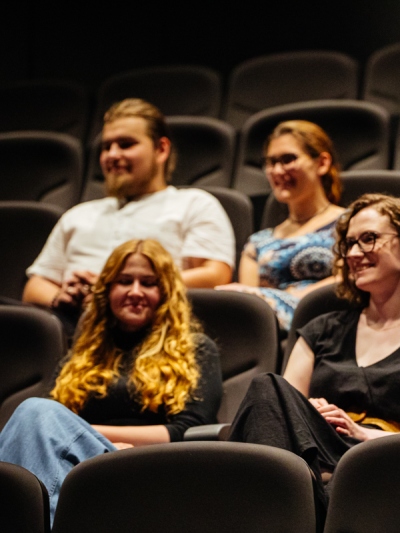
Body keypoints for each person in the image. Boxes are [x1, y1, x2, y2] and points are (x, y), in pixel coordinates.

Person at [227, 194, 400, 519]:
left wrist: (364, 434)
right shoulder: (321, 329)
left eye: (369, 239)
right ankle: (308, 493)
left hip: (386, 462)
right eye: (349, 243)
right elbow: (283, 410)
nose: (353, 253)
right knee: (267, 389)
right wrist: (312, 410)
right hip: (315, 453)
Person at [0, 239, 223, 524]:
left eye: (148, 283)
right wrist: (76, 436)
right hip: (82, 468)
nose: (135, 292)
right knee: (34, 420)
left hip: (150, 466)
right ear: (107, 289)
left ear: (166, 292)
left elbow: (189, 430)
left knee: (35, 412)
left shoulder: (196, 348)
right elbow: (50, 420)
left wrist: (77, 433)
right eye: (125, 281)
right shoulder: (84, 352)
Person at [22, 98, 235, 334]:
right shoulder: (78, 214)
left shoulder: (194, 204)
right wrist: (60, 296)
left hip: (152, 328)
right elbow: (34, 287)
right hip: (74, 326)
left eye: (125, 144)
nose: (112, 155)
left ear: (161, 149)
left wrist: (112, 288)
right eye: (106, 147)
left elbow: (215, 275)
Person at [216, 121, 346, 331]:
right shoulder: (258, 243)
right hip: (272, 331)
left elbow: (350, 279)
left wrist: (291, 298)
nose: (277, 170)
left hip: (329, 321)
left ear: (322, 163)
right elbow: (248, 307)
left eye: (288, 160)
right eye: (271, 162)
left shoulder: (350, 223)